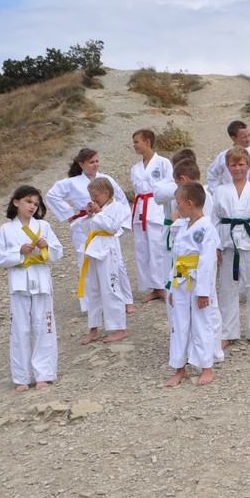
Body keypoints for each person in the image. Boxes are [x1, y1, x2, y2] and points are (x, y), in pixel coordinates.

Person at [0, 186, 64, 391]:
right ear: (16, 202)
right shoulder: (6, 230)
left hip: (41, 282)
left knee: (44, 328)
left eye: (36, 203)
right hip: (19, 284)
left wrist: (46, 246)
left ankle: (44, 375)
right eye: (28, 202)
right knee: (20, 330)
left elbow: (58, 252)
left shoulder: (44, 226)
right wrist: (18, 251)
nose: (32, 206)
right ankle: (21, 377)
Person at [45, 148, 133, 313]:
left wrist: (121, 223)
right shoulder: (72, 182)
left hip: (107, 225)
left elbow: (121, 200)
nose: (95, 165)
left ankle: (123, 300)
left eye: (97, 161)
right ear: (81, 164)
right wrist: (70, 214)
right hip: (84, 225)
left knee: (116, 262)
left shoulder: (106, 179)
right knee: (85, 262)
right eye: (91, 162)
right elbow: (52, 195)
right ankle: (90, 305)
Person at [211, 146, 250, 348]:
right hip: (228, 244)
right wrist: (215, 247)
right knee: (228, 288)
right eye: (233, 165)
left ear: (248, 165)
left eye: (241, 164)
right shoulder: (220, 191)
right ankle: (228, 333)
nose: (237, 168)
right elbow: (213, 221)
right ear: (227, 167)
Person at [166, 182, 220, 387]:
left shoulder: (207, 228)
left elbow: (207, 262)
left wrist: (203, 292)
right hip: (181, 281)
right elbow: (177, 258)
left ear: (189, 203)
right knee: (178, 324)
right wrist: (173, 287)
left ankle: (207, 366)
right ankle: (179, 368)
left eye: (178, 203)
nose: (177, 207)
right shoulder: (183, 227)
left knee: (202, 323)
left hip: (199, 282)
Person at [75, 176, 131, 345]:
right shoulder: (99, 209)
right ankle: (93, 328)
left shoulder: (118, 207)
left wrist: (99, 213)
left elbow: (113, 228)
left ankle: (120, 328)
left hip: (108, 251)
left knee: (110, 288)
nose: (93, 200)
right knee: (93, 289)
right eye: (91, 197)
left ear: (106, 193)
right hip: (94, 249)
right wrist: (89, 216)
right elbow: (89, 230)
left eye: (96, 196)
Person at [130, 129, 174, 304]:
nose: (134, 145)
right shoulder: (135, 168)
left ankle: (163, 286)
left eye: (136, 142)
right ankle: (153, 288)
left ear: (147, 142)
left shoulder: (163, 163)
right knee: (143, 250)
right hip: (140, 210)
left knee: (157, 248)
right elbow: (136, 191)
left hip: (156, 209)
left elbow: (170, 184)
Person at [207, 121, 250, 191]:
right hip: (229, 194)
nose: (248, 139)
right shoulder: (223, 156)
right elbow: (212, 173)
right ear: (233, 138)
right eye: (244, 137)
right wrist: (217, 191)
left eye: (249, 135)